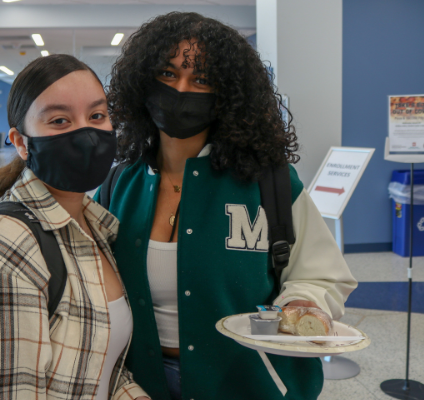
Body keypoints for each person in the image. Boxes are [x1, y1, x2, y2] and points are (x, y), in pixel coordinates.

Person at [97, 12, 357, 400]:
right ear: (144, 81)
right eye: (168, 74)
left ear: (229, 95)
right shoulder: (120, 183)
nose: (181, 89)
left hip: (247, 382)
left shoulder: (270, 182)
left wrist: (302, 303)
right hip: (139, 384)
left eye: (201, 79)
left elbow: (322, 276)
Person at [0, 55, 149, 400]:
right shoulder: (3, 253)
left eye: (97, 116)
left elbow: (100, 367)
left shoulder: (92, 226)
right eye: (60, 120)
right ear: (21, 142)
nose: (87, 133)